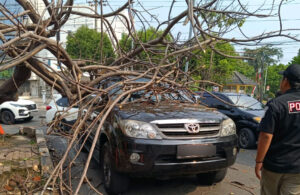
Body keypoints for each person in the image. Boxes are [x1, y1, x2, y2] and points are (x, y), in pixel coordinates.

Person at [255, 64, 300, 195]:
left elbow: (266, 136)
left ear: (286, 81)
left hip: (274, 166)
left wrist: (259, 161)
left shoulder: (276, 104)